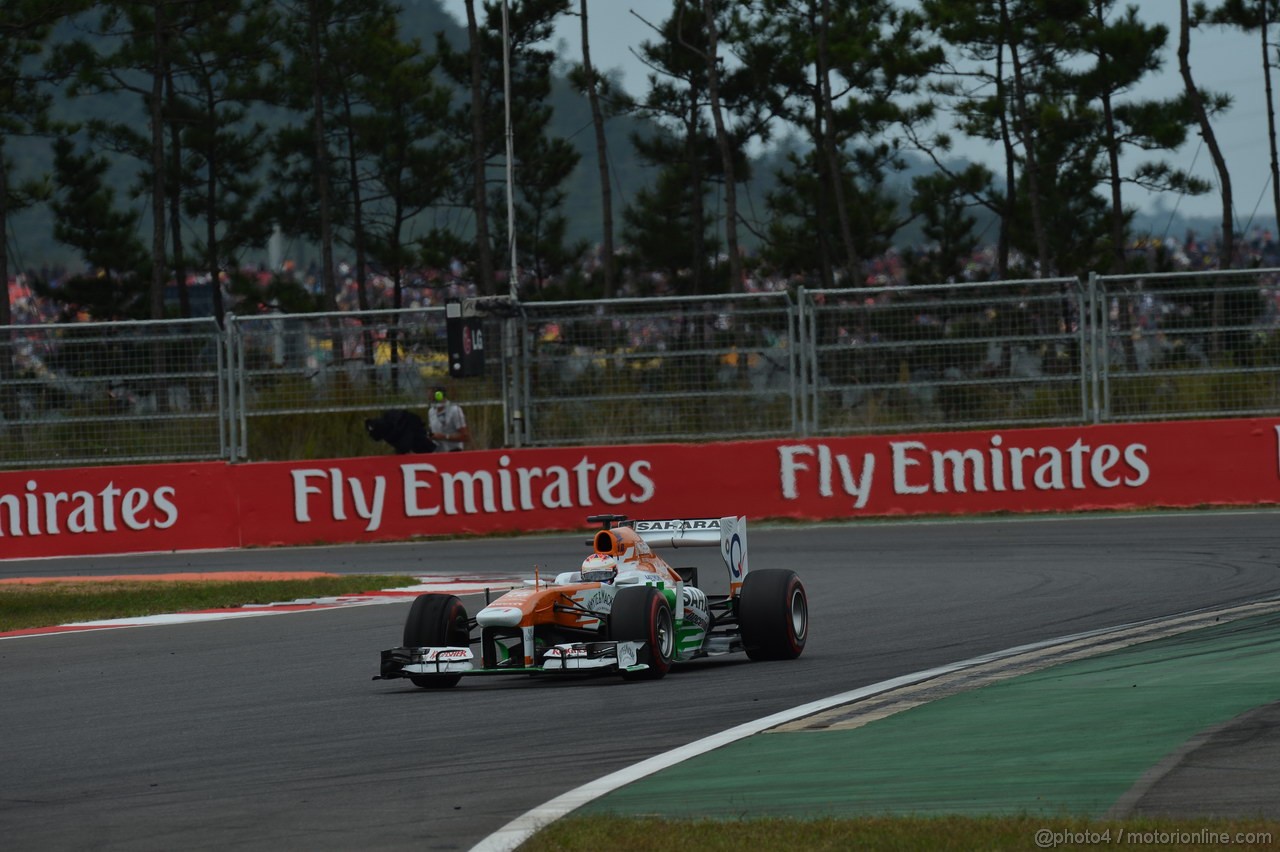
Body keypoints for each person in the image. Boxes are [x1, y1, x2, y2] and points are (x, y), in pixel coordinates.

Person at [427, 384, 469, 452]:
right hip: (438, 453)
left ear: (439, 395)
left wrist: (445, 437)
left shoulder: (454, 410)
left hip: (454, 452)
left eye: (431, 395)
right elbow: (431, 431)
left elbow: (465, 437)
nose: (429, 398)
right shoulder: (431, 411)